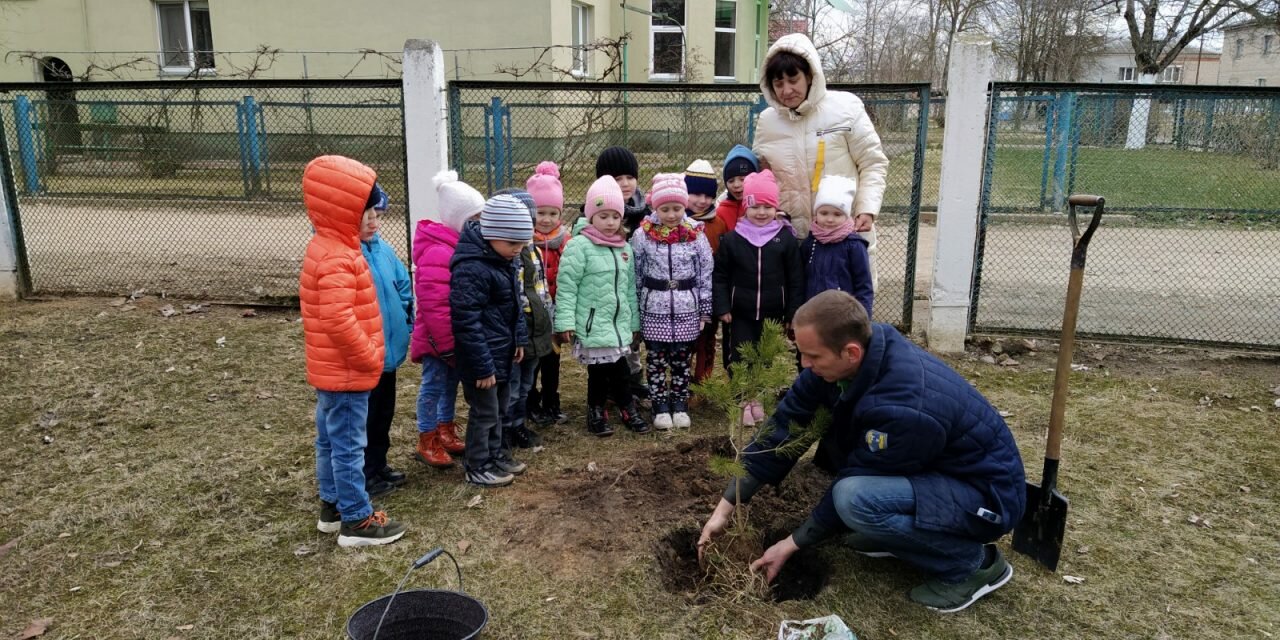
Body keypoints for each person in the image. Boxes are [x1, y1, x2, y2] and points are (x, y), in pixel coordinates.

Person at [698, 290, 1026, 613]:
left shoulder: (904, 404)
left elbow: (860, 473)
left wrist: (792, 543)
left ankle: (972, 566)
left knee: (854, 499)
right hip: (935, 470)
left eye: (812, 356)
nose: (804, 363)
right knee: (856, 503)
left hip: (984, 495)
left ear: (851, 353)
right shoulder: (843, 361)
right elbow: (784, 426)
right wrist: (724, 508)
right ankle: (891, 536)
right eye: (800, 352)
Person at [301, 155, 405, 547]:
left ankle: (332, 506)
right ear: (344, 212)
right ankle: (357, 521)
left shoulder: (328, 247)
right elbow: (338, 319)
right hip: (346, 372)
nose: (373, 218)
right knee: (348, 445)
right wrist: (369, 356)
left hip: (332, 371)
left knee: (329, 439)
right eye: (367, 211)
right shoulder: (339, 258)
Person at [752, 33, 889, 287]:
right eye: (778, 83)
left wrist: (867, 208)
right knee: (796, 316)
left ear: (810, 75)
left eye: (793, 80)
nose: (786, 90)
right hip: (791, 240)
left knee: (846, 314)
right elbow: (760, 176)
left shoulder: (845, 109)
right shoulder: (767, 122)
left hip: (842, 234)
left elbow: (873, 162)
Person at [554, 176, 647, 437]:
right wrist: (565, 322)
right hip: (593, 323)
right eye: (603, 216)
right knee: (602, 372)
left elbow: (629, 290)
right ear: (591, 216)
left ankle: (619, 408)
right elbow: (568, 286)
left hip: (617, 325)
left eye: (615, 217)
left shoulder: (624, 249)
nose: (610, 222)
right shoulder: (579, 247)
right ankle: (600, 411)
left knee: (618, 369)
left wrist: (634, 323)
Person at [450, 194, 532, 487]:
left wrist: (519, 339)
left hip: (504, 352)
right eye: (513, 244)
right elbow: (466, 323)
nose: (518, 250)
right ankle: (477, 464)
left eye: (522, 244)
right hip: (482, 361)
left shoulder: (503, 259)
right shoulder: (472, 268)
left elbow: (514, 306)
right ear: (492, 234)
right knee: (484, 412)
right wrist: (483, 368)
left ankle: (496, 454)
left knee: (499, 409)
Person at [712, 169, 804, 425]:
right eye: (755, 207)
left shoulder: (784, 238)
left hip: (773, 312)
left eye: (767, 207)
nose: (761, 213)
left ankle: (758, 398)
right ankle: (743, 400)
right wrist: (722, 306)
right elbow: (719, 276)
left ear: (775, 208)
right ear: (745, 208)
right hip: (740, 312)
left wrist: (792, 313)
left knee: (764, 357)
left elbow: (796, 279)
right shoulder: (732, 240)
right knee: (740, 356)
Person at [409, 171, 484, 469]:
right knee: (433, 385)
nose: (481, 225)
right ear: (459, 220)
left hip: (453, 338)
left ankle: (445, 429)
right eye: (475, 220)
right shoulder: (439, 252)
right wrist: (445, 343)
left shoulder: (459, 247)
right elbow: (433, 303)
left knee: (450, 384)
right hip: (436, 338)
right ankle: (427, 438)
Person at [631, 173, 713, 430]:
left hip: (687, 309)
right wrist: (636, 310)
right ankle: (659, 405)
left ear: (684, 206)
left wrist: (704, 309)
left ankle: (679, 403)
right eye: (665, 209)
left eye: (677, 208)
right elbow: (635, 273)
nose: (671, 214)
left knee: (680, 361)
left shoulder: (695, 235)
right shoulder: (643, 235)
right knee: (656, 360)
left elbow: (705, 272)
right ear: (656, 207)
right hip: (653, 308)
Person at [358, 183, 413, 498]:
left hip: (389, 354)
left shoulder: (383, 250)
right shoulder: (349, 255)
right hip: (366, 356)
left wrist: (407, 317)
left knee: (383, 415)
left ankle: (378, 464)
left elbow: (403, 285)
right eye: (365, 214)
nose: (373, 220)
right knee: (366, 417)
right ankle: (364, 472)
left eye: (377, 213)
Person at [494, 188, 551, 451]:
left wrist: (548, 317)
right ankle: (505, 429)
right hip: (516, 328)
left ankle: (519, 424)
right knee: (513, 385)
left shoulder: (534, 251)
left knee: (527, 382)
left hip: (537, 327)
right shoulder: (507, 256)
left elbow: (542, 288)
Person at [594, 145, 650, 403]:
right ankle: (607, 386)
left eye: (629, 177)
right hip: (608, 290)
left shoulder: (646, 213)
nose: (625, 184)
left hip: (638, 287)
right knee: (609, 343)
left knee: (633, 340)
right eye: (618, 179)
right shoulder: (597, 216)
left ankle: (633, 381)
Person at [526, 161, 569, 426]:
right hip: (533, 313)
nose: (546, 219)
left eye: (553, 213)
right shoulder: (522, 239)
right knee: (533, 362)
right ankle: (531, 402)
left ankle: (552, 401)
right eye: (541, 212)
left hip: (555, 311)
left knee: (552, 361)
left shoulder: (565, 240)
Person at [684, 159, 730, 386]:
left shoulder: (718, 224)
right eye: (696, 194)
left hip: (709, 295)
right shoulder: (676, 221)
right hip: (683, 295)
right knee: (686, 341)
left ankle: (703, 382)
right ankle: (682, 380)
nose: (702, 201)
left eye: (709, 196)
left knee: (707, 339)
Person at [803, 175, 873, 317]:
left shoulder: (854, 246)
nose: (829, 219)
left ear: (846, 216)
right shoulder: (810, 243)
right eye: (824, 213)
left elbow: (864, 285)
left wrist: (863, 318)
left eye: (837, 214)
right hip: (813, 313)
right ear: (816, 213)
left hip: (843, 315)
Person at [714, 144, 760, 233]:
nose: (736, 185)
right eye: (731, 181)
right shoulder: (721, 212)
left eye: (742, 179)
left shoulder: (764, 207)